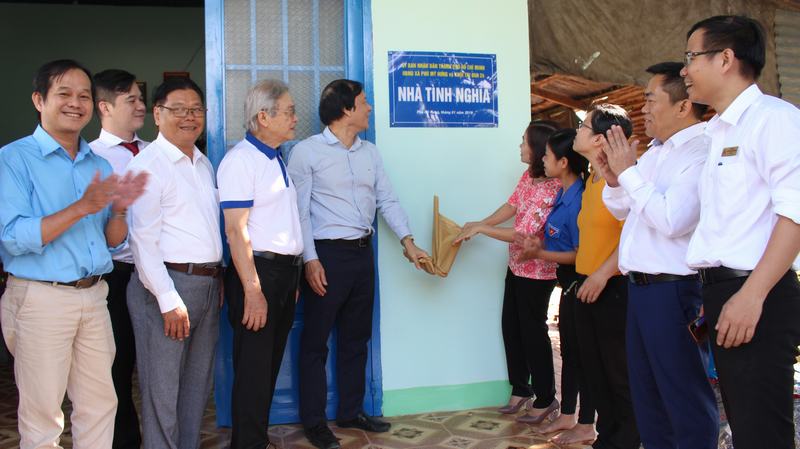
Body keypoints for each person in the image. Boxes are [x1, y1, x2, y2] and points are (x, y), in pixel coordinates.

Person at [0, 59, 147, 449]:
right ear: (39, 100)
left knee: (100, 405)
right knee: (43, 415)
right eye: (64, 94)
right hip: (41, 298)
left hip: (94, 295)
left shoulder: (97, 164)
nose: (76, 103)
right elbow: (13, 237)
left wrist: (119, 210)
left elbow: (111, 241)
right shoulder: (13, 159)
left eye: (84, 96)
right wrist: (81, 207)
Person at [287, 79, 429, 449]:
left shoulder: (370, 153)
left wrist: (408, 242)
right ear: (346, 109)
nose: (369, 108)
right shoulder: (306, 153)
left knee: (356, 338)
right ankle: (315, 422)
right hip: (327, 256)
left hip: (363, 255)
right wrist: (310, 260)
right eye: (364, 102)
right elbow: (299, 212)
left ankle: (350, 411)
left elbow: (387, 200)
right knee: (316, 342)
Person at [681, 15, 800, 449]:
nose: (685, 70)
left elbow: (795, 215)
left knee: (762, 432)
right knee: (745, 428)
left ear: (725, 58)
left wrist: (752, 295)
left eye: (691, 57)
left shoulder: (775, 120)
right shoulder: (718, 131)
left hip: (758, 293)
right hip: (726, 293)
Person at [599, 62, 718, 449]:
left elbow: (672, 220)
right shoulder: (654, 153)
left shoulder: (701, 152)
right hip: (641, 289)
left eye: (651, 99)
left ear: (683, 106)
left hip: (674, 290)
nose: (643, 108)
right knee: (648, 395)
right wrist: (616, 179)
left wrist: (628, 174)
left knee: (683, 394)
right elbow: (621, 208)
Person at [126, 77, 223, 449]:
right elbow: (143, 241)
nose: (189, 117)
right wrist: (168, 300)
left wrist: (216, 279)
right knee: (162, 391)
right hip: (166, 287)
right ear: (157, 114)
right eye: (179, 109)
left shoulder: (202, 163)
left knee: (197, 386)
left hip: (206, 285)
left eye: (196, 109)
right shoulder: (147, 165)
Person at [454, 121, 561, 424]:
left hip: (537, 273)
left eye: (524, 141)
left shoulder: (553, 188)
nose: (520, 146)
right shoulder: (529, 177)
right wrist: (480, 222)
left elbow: (521, 234)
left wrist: (481, 229)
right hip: (516, 266)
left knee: (533, 333)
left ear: (537, 148)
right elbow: (511, 206)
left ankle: (545, 398)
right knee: (511, 328)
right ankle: (520, 389)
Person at [217, 79, 303, 449]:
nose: (295, 118)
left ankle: (256, 440)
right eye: (289, 111)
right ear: (263, 117)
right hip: (257, 275)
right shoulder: (241, 160)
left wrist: (293, 276)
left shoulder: (275, 158)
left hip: (283, 274)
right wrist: (253, 292)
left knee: (267, 368)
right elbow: (236, 232)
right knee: (253, 371)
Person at [520, 128, 597, 445]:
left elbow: (579, 254)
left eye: (548, 156)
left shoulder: (579, 199)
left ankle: (587, 423)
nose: (543, 160)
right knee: (570, 351)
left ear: (563, 162)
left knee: (584, 355)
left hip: (580, 282)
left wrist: (539, 254)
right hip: (567, 284)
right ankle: (567, 415)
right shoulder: (563, 194)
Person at [570, 104, 640, 449]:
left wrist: (601, 275)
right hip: (589, 286)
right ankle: (606, 439)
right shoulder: (592, 179)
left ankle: (626, 441)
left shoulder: (624, 180)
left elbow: (634, 235)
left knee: (618, 374)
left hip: (612, 287)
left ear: (599, 139)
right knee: (595, 372)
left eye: (583, 126)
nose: (577, 131)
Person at [89, 68, 148, 449]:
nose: (141, 106)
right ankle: (125, 441)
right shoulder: (90, 158)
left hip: (159, 271)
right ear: (105, 107)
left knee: (158, 366)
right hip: (117, 274)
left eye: (141, 99)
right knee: (117, 365)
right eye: (132, 100)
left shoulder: (155, 151)